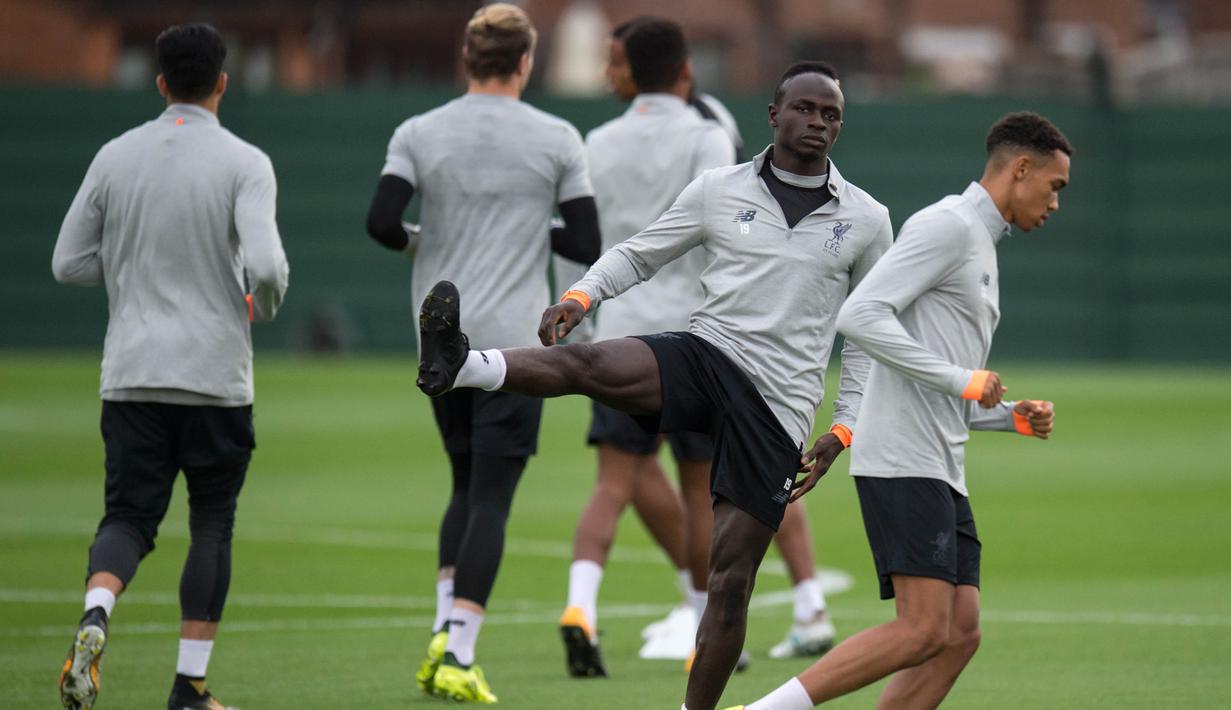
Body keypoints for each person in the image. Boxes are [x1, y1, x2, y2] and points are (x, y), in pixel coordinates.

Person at [416, 61, 892, 710]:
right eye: (804, 109)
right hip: (705, 355)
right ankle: (462, 365)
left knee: (729, 583)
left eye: (830, 113)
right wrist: (581, 296)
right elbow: (640, 252)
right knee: (590, 366)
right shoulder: (718, 189)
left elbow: (867, 333)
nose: (817, 122)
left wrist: (843, 427)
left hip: (777, 410)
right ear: (773, 115)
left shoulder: (867, 218)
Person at [730, 111, 1070, 710]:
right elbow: (859, 316)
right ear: (1021, 169)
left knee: (960, 634)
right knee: (921, 630)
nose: (1055, 202)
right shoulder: (948, 226)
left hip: (940, 463)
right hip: (902, 459)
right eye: (1055, 186)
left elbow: (943, 385)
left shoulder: (981, 244)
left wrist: (1009, 414)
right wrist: (964, 380)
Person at [363, 3, 600, 704]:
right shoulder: (556, 136)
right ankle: (460, 652)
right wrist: (526, 227)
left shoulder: (419, 130)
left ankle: (442, 631)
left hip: (439, 336)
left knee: (462, 483)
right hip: (514, 345)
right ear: (525, 62)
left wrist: (424, 240)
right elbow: (585, 241)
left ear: (468, 59)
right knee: (492, 495)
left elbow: (380, 221)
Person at [52, 23, 289, 710]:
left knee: (127, 517)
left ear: (159, 82)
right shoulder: (245, 161)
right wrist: (261, 306)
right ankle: (189, 688)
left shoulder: (115, 155)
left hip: (132, 371)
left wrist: (131, 272)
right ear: (222, 80)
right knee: (211, 522)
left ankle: (98, 611)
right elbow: (268, 267)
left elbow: (67, 262)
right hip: (215, 377)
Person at [597, 16, 842, 669]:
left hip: (711, 338)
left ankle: (722, 606)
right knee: (743, 474)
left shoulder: (701, 132)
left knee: (729, 474)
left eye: (614, 62)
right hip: (687, 333)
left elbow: (718, 235)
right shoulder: (689, 129)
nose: (607, 74)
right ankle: (787, 605)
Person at [554, 17, 735, 679]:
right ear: (685, 68)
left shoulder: (596, 139)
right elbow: (726, 232)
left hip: (617, 332)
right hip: (692, 337)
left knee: (611, 485)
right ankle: (701, 630)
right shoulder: (708, 136)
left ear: (628, 67)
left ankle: (580, 608)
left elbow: (580, 236)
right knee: (698, 491)